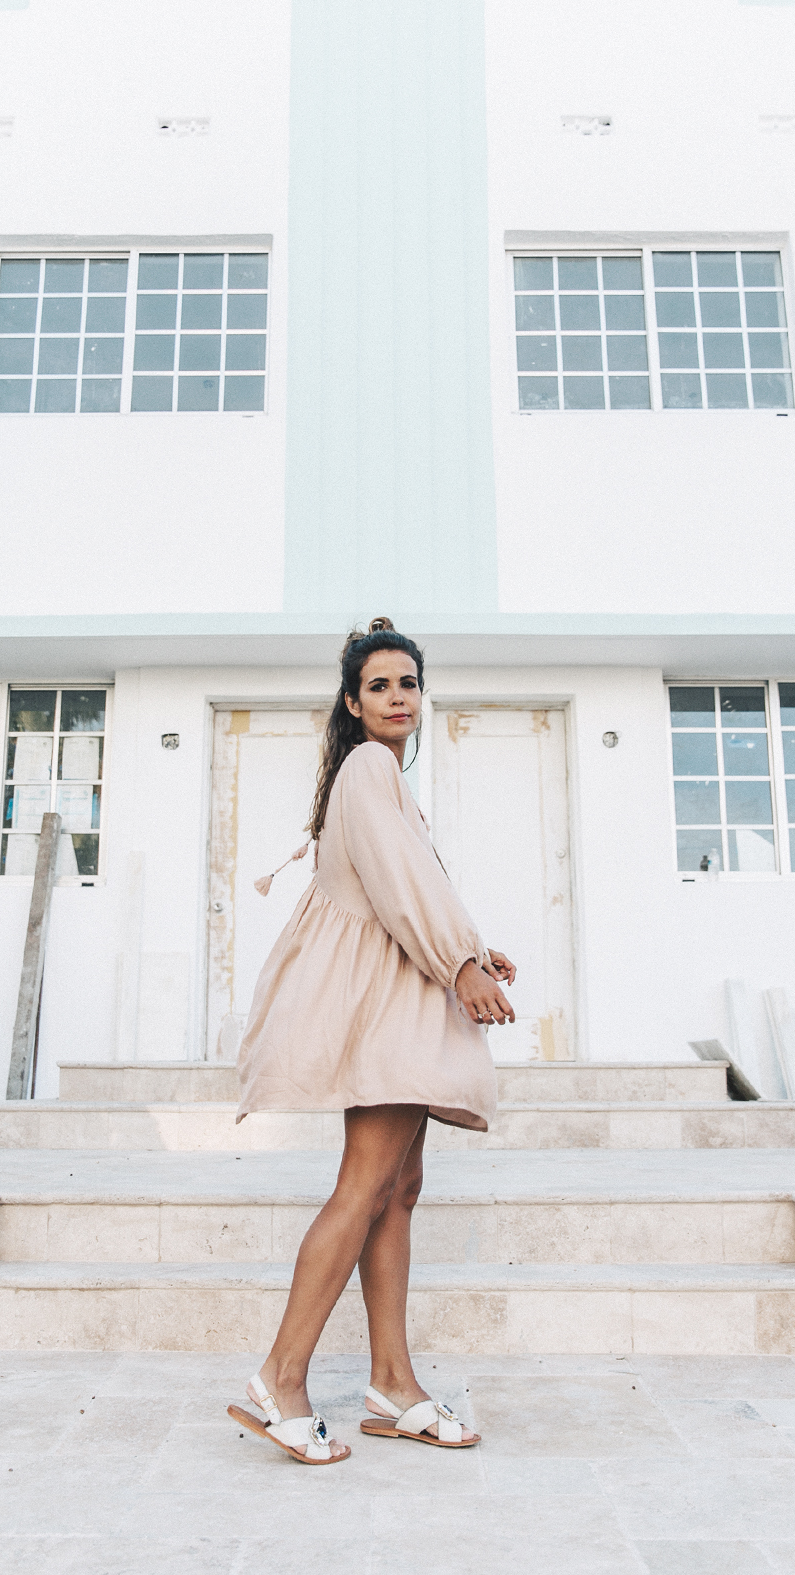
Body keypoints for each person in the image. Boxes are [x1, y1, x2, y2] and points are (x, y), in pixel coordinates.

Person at [227, 618, 516, 1464]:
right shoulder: (366, 766)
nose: (398, 697)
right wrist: (458, 959)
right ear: (353, 703)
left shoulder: (383, 777)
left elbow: (409, 882)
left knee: (399, 1189)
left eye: (409, 683)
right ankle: (280, 1377)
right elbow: (397, 886)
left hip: (398, 1002)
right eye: (380, 685)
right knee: (363, 1188)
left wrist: (472, 945)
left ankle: (393, 1383)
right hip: (388, 1012)